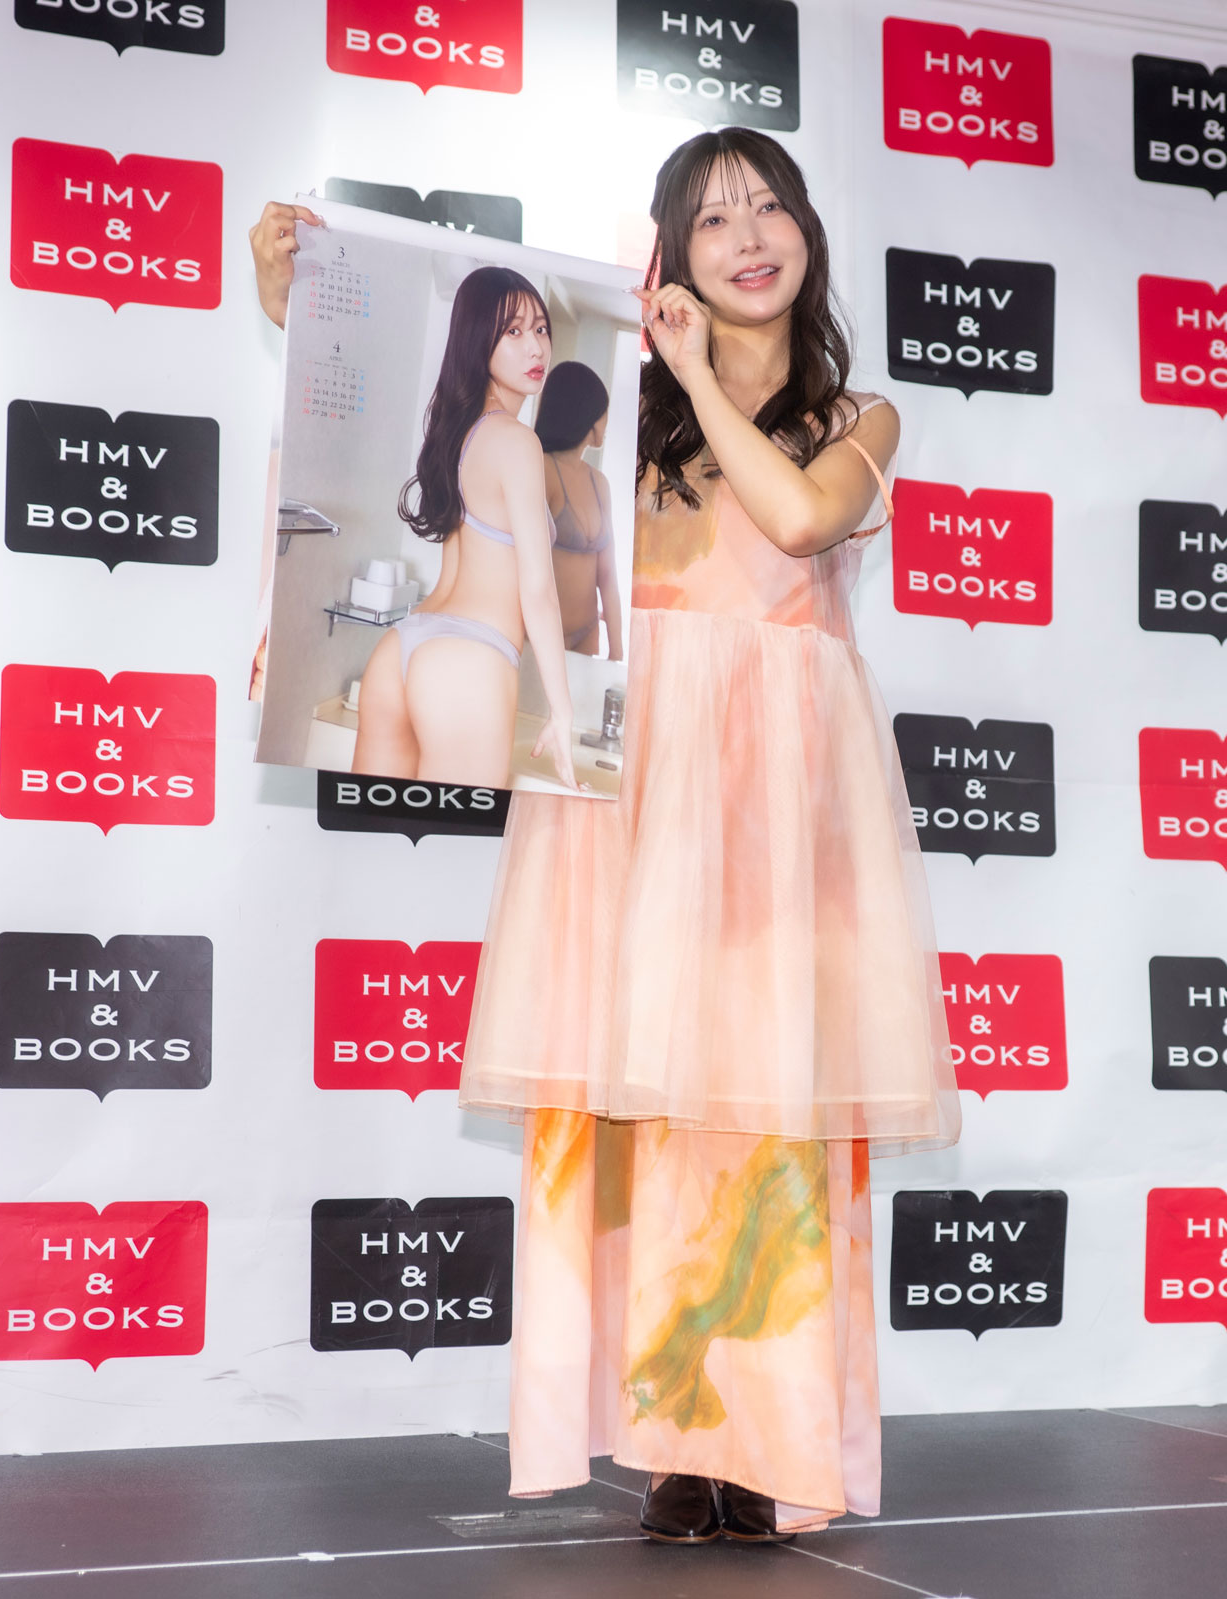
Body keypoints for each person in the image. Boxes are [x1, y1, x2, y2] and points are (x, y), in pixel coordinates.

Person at [456, 128, 958, 1545]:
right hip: (637, 791)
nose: (749, 235)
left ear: (806, 233)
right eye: (714, 215)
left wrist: (688, 374)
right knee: (649, 1118)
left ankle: (765, 1442)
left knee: (769, 1113)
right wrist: (298, 298)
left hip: (787, 804)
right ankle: (674, 1435)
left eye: (769, 206)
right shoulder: (615, 414)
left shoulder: (861, 417)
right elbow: (466, 487)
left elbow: (797, 519)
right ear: (672, 251)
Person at [246, 207, 576, 789]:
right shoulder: (518, 442)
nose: (536, 347)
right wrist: (563, 709)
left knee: (371, 832)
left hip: (400, 648)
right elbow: (537, 590)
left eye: (541, 329)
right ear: (479, 341)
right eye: (513, 331)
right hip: (470, 662)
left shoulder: (456, 434)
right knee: (455, 845)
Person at [534, 361, 625, 659]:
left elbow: (608, 575)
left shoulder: (600, 483)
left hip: (588, 633)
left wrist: (617, 650)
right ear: (586, 413)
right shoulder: (542, 469)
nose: (606, 421)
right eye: (603, 411)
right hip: (542, 636)